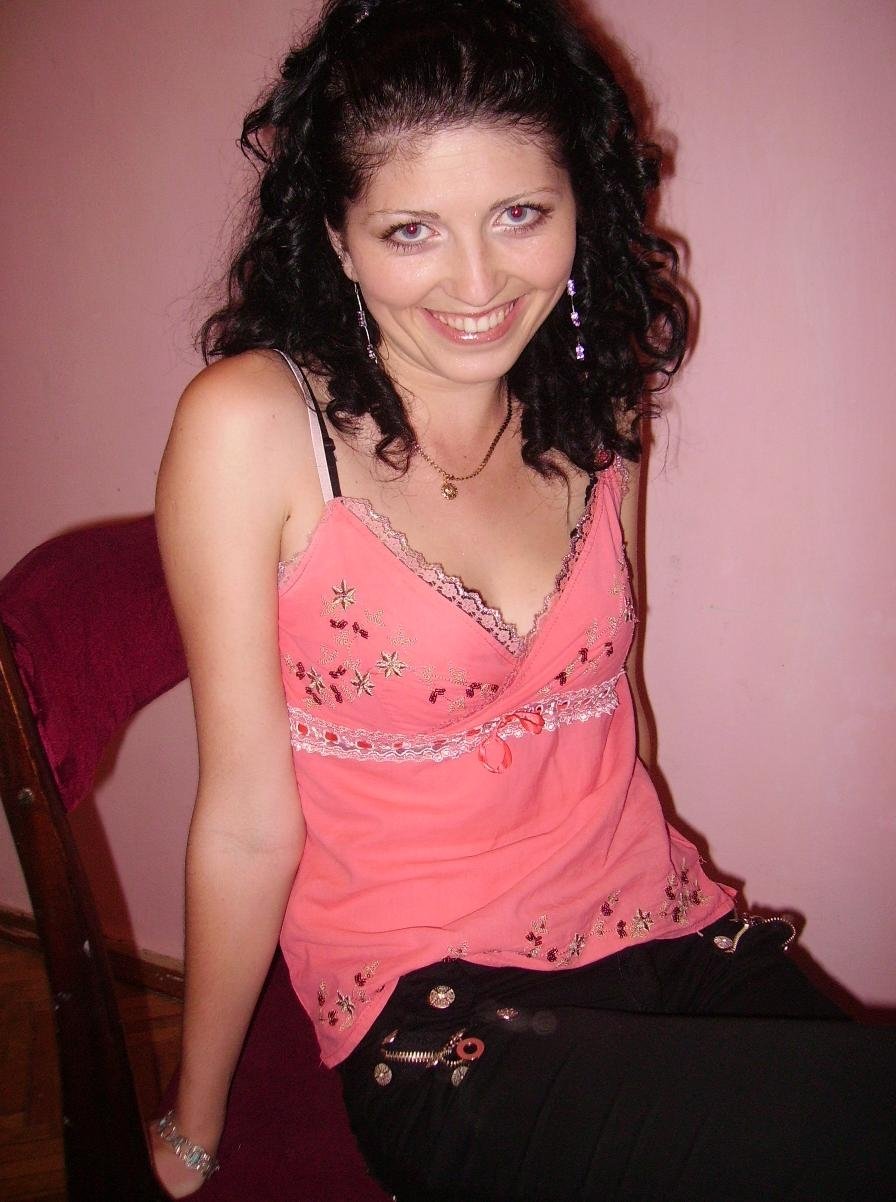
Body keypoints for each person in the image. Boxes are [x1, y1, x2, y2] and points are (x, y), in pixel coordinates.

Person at [152, 1, 895, 1198]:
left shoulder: (595, 408)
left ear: (577, 207)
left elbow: (612, 708)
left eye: (517, 214)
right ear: (337, 239)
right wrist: (194, 1124)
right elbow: (246, 819)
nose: (476, 282)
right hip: (440, 1010)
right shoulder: (252, 427)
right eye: (410, 230)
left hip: (657, 920)